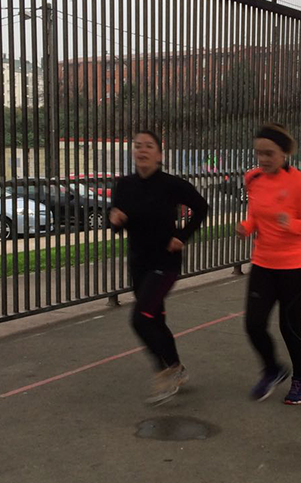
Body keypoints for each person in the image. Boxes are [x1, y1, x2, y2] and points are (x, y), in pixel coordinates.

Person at [109, 130, 209, 404]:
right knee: (155, 320)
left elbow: (201, 207)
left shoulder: (171, 184)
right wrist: (115, 220)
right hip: (139, 263)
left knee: (140, 318)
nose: (142, 150)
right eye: (137, 146)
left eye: (148, 146)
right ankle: (177, 367)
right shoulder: (125, 185)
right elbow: (117, 222)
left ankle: (165, 372)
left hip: (165, 262)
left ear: (159, 155)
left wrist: (182, 236)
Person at [237, 123, 301, 405]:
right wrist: (247, 227)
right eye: (259, 153)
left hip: (299, 268)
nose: (262, 159)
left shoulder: (300, 183)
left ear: (284, 153)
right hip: (264, 264)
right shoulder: (253, 179)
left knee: (290, 326)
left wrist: (292, 224)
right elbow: (256, 215)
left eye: (269, 153)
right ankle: (272, 369)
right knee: (253, 324)